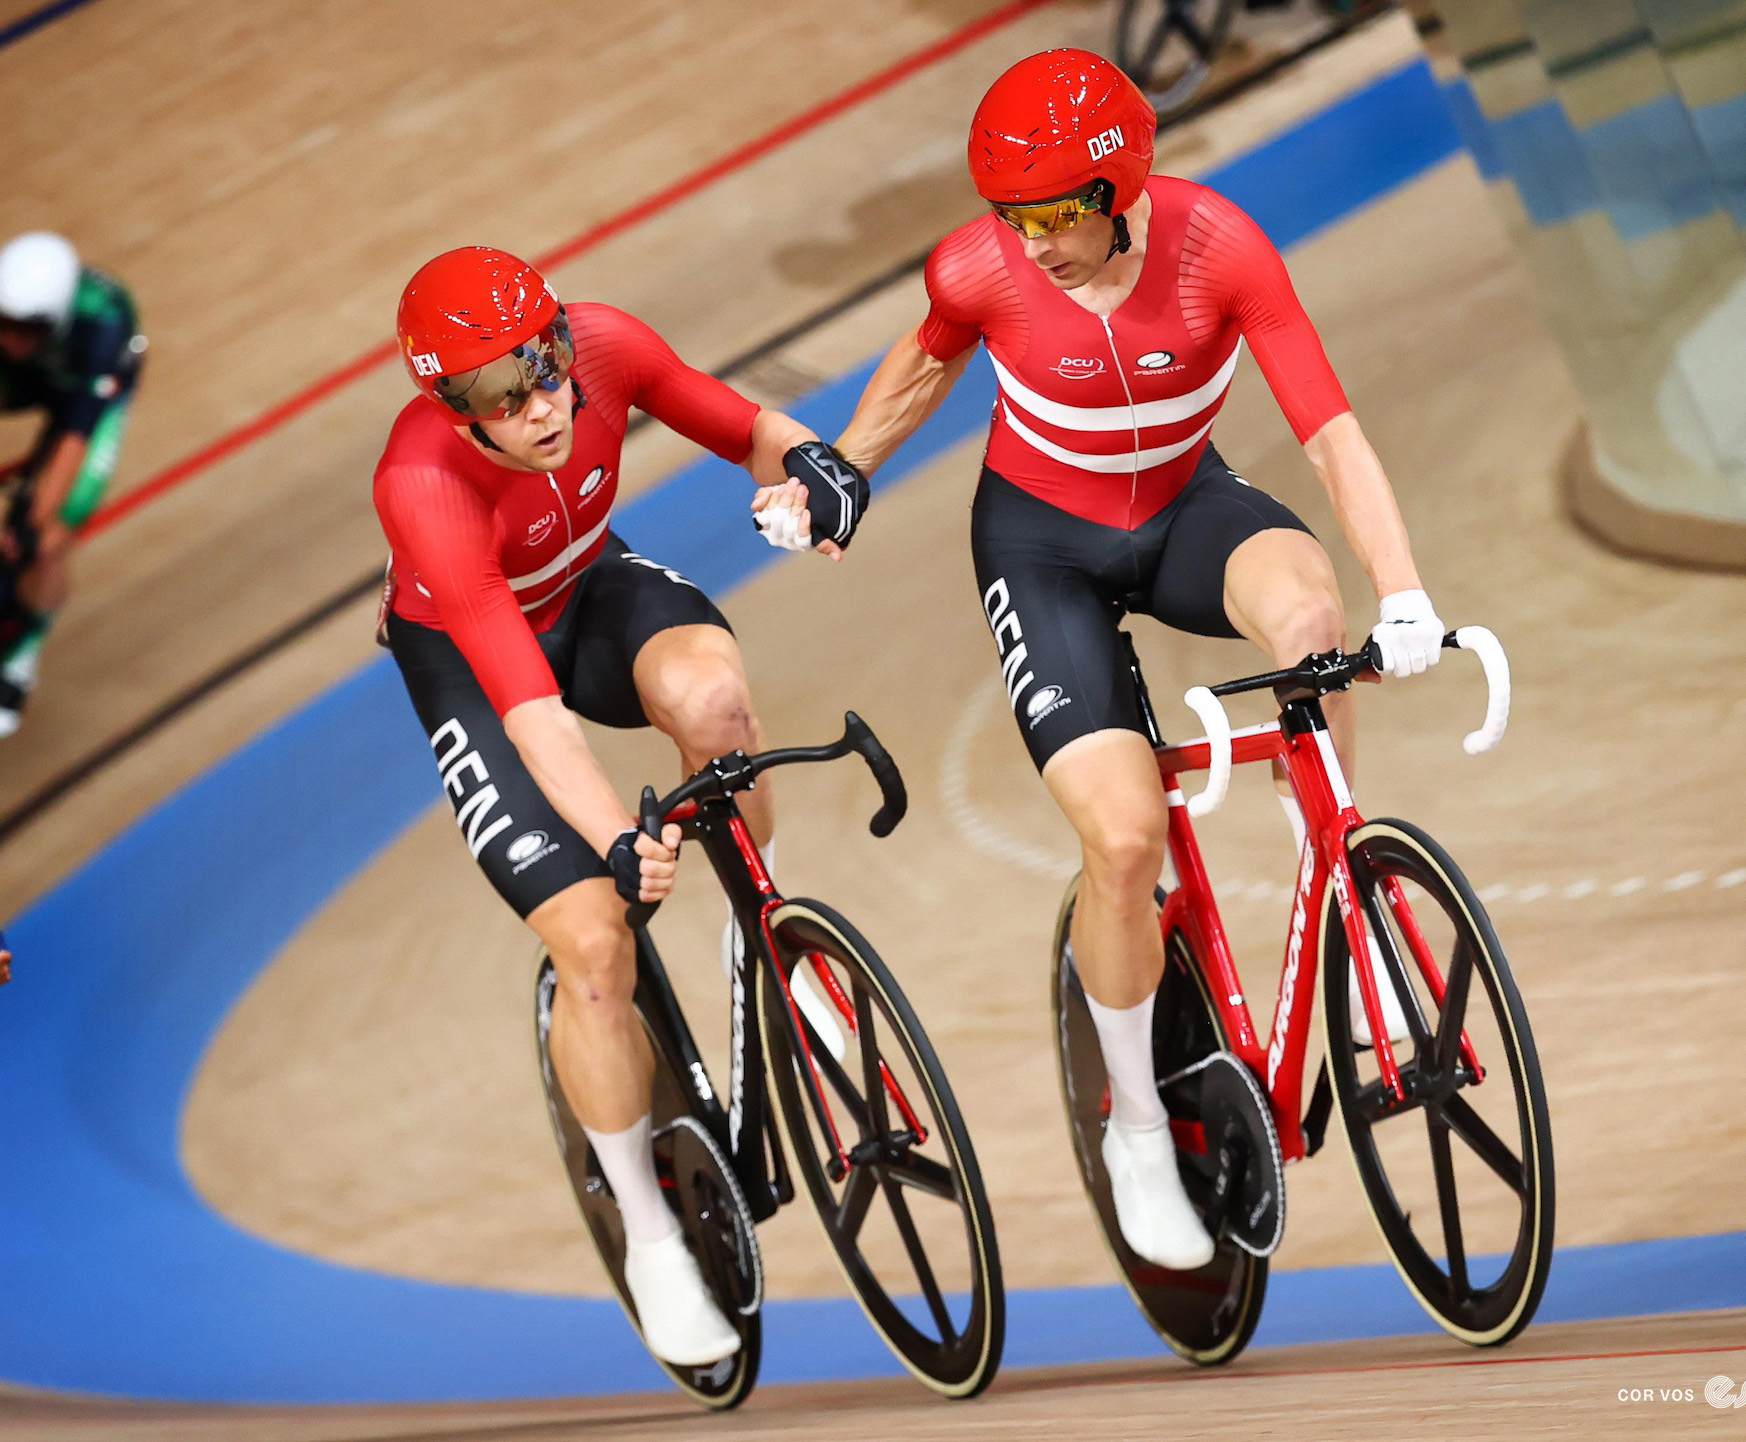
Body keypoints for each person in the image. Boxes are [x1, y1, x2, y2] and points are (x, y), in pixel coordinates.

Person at [756, 50, 1437, 1272]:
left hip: (1185, 508)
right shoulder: (980, 267)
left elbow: (1329, 434)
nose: (1036, 242)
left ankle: (1341, 881)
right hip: (1042, 546)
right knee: (1124, 838)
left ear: (1122, 188)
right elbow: (922, 364)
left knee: (1309, 613)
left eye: (1059, 213)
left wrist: (1409, 595)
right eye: (1014, 216)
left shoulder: (1219, 249)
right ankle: (1133, 1121)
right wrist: (843, 467)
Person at [375, 246, 859, 1366]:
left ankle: (775, 943)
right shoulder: (424, 487)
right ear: (456, 412)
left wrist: (818, 464)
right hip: (476, 663)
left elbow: (748, 427)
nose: (542, 404)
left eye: (543, 366)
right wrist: (616, 837)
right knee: (596, 943)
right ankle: (648, 1234)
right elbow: (537, 717)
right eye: (503, 395)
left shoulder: (605, 343)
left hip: (586, 586)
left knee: (719, 702)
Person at [0, 232, 145, 736]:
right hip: (35, 375)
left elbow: (73, 437)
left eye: (27, 328)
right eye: (4, 324)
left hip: (90, 393)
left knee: (48, 536)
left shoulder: (102, 325)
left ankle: (21, 653)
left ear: (55, 321)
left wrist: (30, 522)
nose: (11, 339)